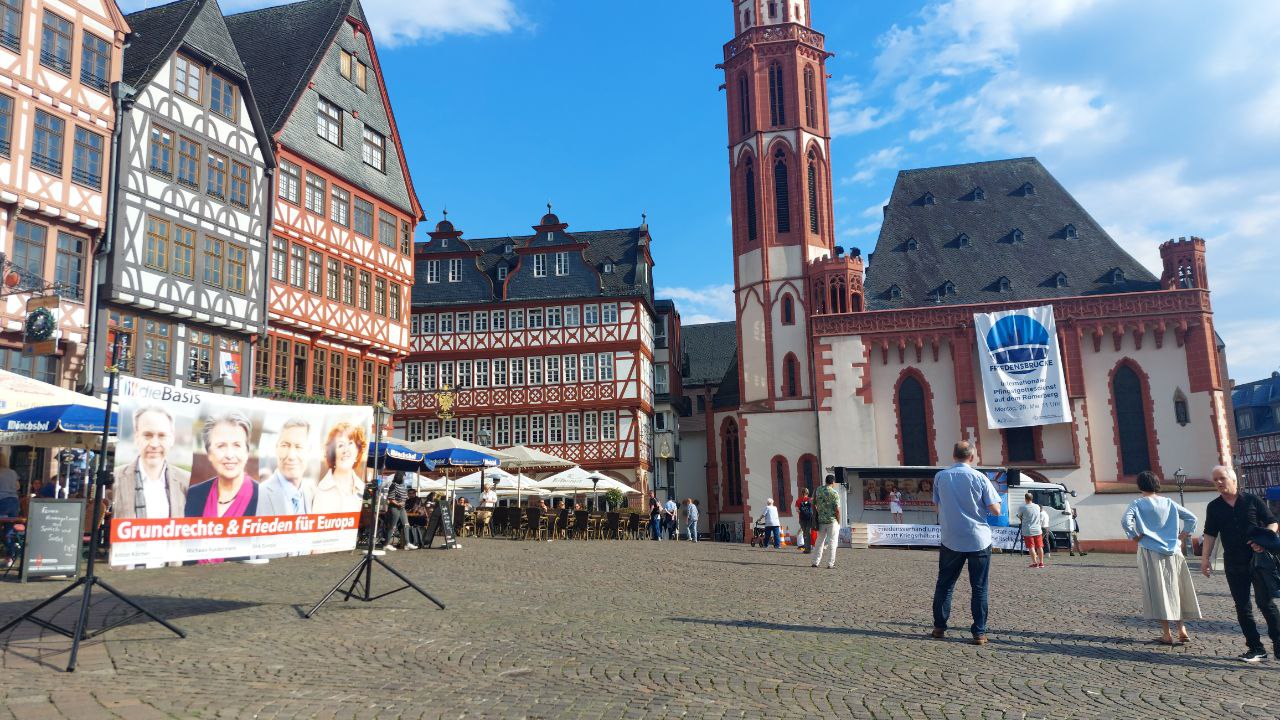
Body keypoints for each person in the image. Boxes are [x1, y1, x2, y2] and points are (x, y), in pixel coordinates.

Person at [1201, 465, 1280, 663]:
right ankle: (1256, 648)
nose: (1219, 482)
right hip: (1234, 563)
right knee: (1242, 607)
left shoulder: (1252, 500)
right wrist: (1205, 559)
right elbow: (1210, 534)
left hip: (1258, 561)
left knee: (1265, 603)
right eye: (1215, 480)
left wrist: (1265, 539)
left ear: (1234, 479)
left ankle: (1279, 645)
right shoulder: (1214, 507)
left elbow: (1272, 522)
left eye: (1222, 478)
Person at [930, 441, 1001, 645]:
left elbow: (936, 507)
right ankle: (979, 632)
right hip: (978, 538)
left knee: (945, 585)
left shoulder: (940, 476)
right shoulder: (980, 477)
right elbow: (996, 510)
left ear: (954, 456)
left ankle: (939, 627)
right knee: (979, 588)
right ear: (972, 457)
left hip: (951, 537)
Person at [1121, 471, 1200, 645]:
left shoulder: (1137, 503)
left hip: (1150, 551)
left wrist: (1135, 536)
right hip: (1174, 551)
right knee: (1175, 588)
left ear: (1140, 485)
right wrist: (1182, 536)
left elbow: (1126, 521)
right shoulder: (1169, 502)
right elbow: (1192, 518)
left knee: (1157, 591)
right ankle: (1182, 629)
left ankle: (1166, 634)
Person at [111, 406, 190, 519]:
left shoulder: (187, 481)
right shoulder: (116, 477)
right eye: (147, 435)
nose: (154, 444)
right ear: (136, 437)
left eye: (162, 435)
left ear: (172, 439)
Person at [184, 412, 259, 519]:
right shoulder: (193, 495)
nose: (229, 455)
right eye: (221, 446)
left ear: (247, 452)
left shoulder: (264, 498)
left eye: (237, 445)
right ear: (209, 453)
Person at [258, 418, 315, 517]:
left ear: (309, 451)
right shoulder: (257, 497)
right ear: (276, 448)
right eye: (285, 445)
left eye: (299, 447)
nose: (291, 456)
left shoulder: (313, 494)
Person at [311, 422, 368, 514]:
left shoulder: (363, 488)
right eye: (340, 445)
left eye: (350, 443)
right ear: (333, 454)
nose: (346, 450)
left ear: (358, 451)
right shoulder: (320, 490)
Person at [811, 475, 841, 569]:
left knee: (819, 541)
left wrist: (815, 515)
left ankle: (815, 562)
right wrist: (838, 521)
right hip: (832, 521)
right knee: (832, 542)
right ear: (833, 482)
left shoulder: (818, 490)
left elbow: (813, 504)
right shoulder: (834, 493)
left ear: (826, 481)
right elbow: (837, 510)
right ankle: (830, 563)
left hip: (821, 520)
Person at [381, 472, 414, 550]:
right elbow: (390, 498)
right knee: (392, 526)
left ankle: (407, 543)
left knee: (406, 524)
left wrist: (403, 502)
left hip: (402, 508)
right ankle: (386, 544)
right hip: (394, 508)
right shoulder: (393, 486)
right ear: (400, 477)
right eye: (404, 476)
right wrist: (398, 504)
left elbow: (405, 497)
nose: (405, 478)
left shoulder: (403, 486)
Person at [1017, 492, 1044, 569]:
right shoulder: (1037, 506)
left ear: (1025, 499)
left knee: (1031, 547)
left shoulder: (1023, 507)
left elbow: (1019, 516)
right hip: (1038, 529)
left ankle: (1035, 563)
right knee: (1039, 546)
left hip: (1028, 530)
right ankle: (1041, 563)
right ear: (1032, 498)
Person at [794, 488, 815, 553]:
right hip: (809, 518)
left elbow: (797, 510)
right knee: (808, 533)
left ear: (802, 493)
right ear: (807, 493)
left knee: (805, 533)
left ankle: (806, 548)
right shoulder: (810, 499)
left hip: (802, 519)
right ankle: (809, 548)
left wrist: (802, 512)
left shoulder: (798, 500)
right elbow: (816, 507)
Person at [0, 450, 19, 519]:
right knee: (10, 524)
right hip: (14, 502)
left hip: (2, 501)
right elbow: (18, 487)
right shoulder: (12, 472)